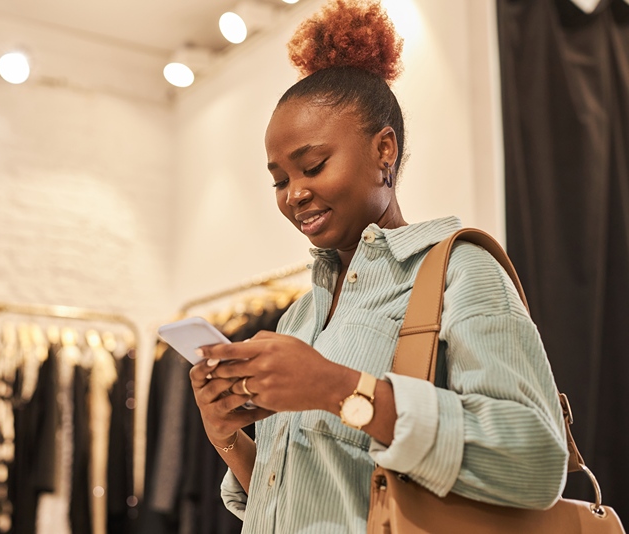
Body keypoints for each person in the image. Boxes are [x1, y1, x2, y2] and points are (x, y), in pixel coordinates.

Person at [188, 0, 569, 531]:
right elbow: (307, 500)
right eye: (279, 180)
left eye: (313, 166)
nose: (295, 193)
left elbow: (535, 460)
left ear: (384, 150)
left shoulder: (458, 273)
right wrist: (226, 438)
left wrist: (337, 388)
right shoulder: (298, 321)